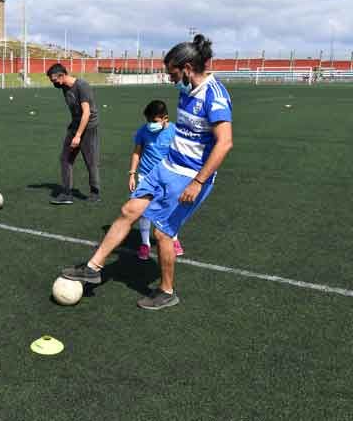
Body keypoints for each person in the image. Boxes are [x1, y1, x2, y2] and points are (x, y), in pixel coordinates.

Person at [61, 35, 233, 310]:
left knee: (163, 234)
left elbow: (225, 143)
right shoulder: (186, 88)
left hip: (190, 177)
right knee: (129, 211)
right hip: (166, 167)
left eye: (173, 72)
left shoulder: (215, 96)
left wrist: (198, 182)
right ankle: (93, 268)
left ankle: (166, 291)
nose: (170, 78)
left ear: (187, 67)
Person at [129, 100, 184, 260]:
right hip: (146, 175)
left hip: (169, 175)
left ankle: (173, 238)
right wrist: (132, 173)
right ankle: (145, 244)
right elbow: (137, 153)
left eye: (154, 121)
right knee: (144, 211)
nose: (150, 124)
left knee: (170, 209)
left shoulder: (175, 131)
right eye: (148, 121)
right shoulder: (143, 131)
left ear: (165, 118)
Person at [46, 63, 101, 204]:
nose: (54, 83)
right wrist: (74, 131)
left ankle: (95, 193)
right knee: (65, 158)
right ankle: (66, 193)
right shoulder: (64, 87)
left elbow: (86, 113)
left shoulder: (82, 86)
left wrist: (78, 135)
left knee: (91, 161)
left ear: (62, 76)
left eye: (54, 80)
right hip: (75, 125)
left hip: (88, 126)